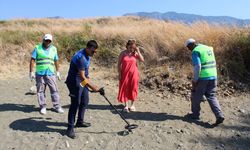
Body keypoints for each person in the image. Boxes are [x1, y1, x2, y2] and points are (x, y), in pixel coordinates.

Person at [65, 40, 104, 139]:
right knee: (75, 104)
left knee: (85, 100)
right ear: (87, 48)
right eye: (92, 51)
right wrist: (94, 87)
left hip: (81, 80)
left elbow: (85, 73)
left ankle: (80, 121)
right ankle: (70, 128)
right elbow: (82, 76)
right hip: (74, 81)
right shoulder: (81, 57)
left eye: (95, 52)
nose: (93, 53)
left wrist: (90, 84)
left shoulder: (87, 55)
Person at [185, 38, 225, 125]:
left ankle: (195, 115)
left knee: (195, 96)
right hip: (213, 76)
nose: (188, 49)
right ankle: (219, 115)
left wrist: (195, 80)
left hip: (203, 77)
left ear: (191, 45)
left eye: (188, 47)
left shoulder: (195, 51)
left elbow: (198, 66)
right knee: (211, 96)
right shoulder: (208, 48)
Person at [29, 33, 64, 115]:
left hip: (50, 73)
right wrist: (31, 72)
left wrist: (58, 71)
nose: (48, 42)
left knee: (54, 90)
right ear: (43, 40)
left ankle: (57, 106)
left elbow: (56, 60)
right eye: (46, 40)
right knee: (40, 91)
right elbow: (32, 60)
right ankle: (43, 107)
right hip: (40, 74)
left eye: (49, 41)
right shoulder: (37, 48)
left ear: (51, 41)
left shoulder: (54, 49)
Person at [117, 39, 144, 112]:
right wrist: (119, 74)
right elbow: (119, 64)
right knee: (125, 88)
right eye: (130, 47)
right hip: (125, 73)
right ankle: (126, 105)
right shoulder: (122, 53)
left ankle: (132, 105)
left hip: (134, 73)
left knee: (133, 88)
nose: (131, 49)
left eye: (133, 47)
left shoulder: (135, 54)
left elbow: (142, 60)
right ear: (127, 46)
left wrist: (138, 51)